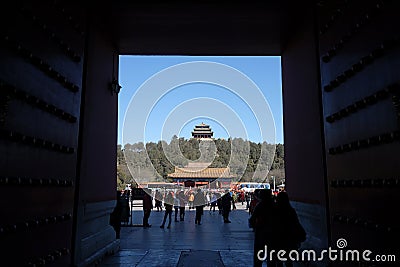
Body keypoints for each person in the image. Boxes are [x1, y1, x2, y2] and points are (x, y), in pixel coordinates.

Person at [274, 191, 306, 267]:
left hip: (278, 238)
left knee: (279, 260)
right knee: (289, 260)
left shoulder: (275, 210)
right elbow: (296, 223)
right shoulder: (291, 210)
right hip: (289, 238)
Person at [249, 189, 277, 267]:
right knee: (271, 254)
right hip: (273, 233)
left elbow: (252, 219)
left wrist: (255, 226)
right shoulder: (275, 205)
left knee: (259, 253)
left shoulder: (260, 205)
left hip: (261, 232)